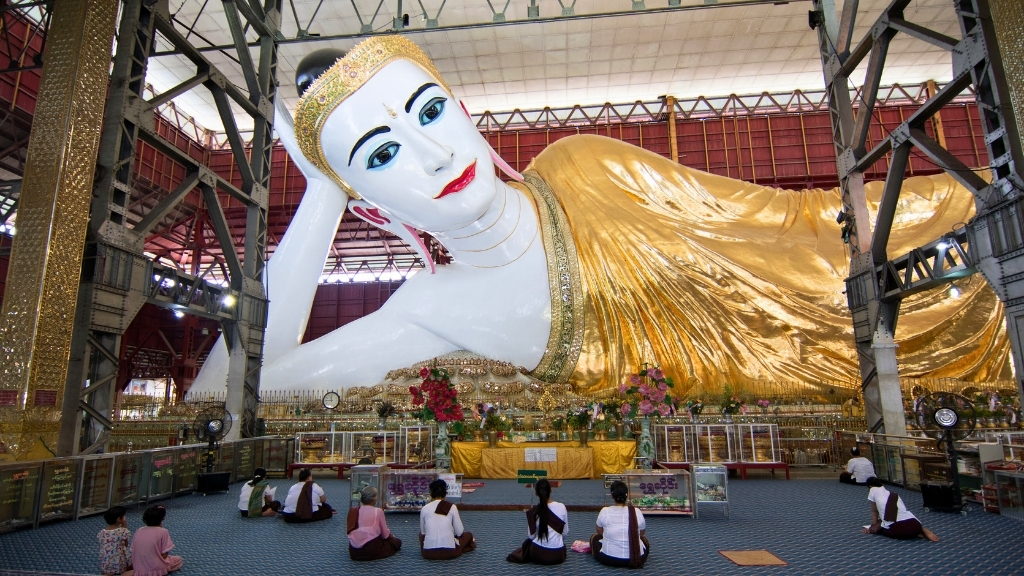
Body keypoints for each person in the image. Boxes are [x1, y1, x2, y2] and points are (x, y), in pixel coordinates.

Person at [188, 35, 1005, 399]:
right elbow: (223, 392)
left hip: (827, 268)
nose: (432, 154)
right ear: (369, 200)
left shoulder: (582, 161)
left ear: (463, 108)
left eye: (428, 111)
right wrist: (322, 191)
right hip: (799, 379)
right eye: (379, 154)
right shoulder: (432, 312)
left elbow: (765, 217)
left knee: (975, 209)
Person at [506, 479, 567, 565]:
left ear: (536, 493)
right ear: (551, 490)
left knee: (527, 543)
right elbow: (565, 533)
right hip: (558, 555)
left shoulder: (534, 511)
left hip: (538, 554)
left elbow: (531, 536)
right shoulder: (562, 507)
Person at [591, 480, 649, 568]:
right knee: (644, 540)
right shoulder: (636, 511)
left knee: (594, 538)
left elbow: (599, 530)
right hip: (637, 558)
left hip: (609, 558)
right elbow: (641, 533)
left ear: (612, 496)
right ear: (627, 495)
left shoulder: (605, 511)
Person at [863, 477, 939, 541]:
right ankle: (921, 530)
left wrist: (872, 528)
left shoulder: (872, 490)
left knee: (881, 529)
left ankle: (918, 532)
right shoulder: (893, 494)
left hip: (900, 531)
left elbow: (874, 511)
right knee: (885, 520)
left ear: (870, 486)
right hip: (916, 525)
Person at [420, 478, 475, 560]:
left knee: (421, 536)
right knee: (468, 535)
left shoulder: (424, 509)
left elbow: (423, 533)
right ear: (445, 493)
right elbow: (460, 532)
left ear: (431, 494)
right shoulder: (452, 507)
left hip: (428, 553)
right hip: (449, 552)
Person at [348, 486, 402, 561]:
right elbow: (385, 534)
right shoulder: (378, 511)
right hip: (371, 550)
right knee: (397, 542)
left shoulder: (353, 510)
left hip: (353, 551)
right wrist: (393, 538)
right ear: (373, 500)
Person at [130, 506, 182, 576]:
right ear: (163, 518)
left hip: (138, 567)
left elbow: (134, 550)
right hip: (156, 568)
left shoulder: (139, 530)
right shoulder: (163, 531)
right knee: (178, 559)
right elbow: (164, 554)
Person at [98, 506, 133, 576]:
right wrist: (124, 526)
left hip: (106, 562)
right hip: (119, 563)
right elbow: (125, 545)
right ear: (118, 519)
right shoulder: (122, 531)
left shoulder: (102, 532)